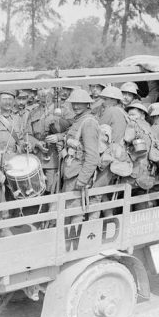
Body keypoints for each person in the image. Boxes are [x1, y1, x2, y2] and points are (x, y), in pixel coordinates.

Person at [59, 89, 100, 223]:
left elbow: (93, 156)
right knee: (69, 211)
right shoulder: (79, 120)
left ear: (88, 104)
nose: (76, 106)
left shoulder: (88, 122)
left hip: (78, 175)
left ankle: (75, 242)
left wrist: (82, 180)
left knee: (76, 214)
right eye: (74, 103)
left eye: (80, 103)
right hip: (71, 172)